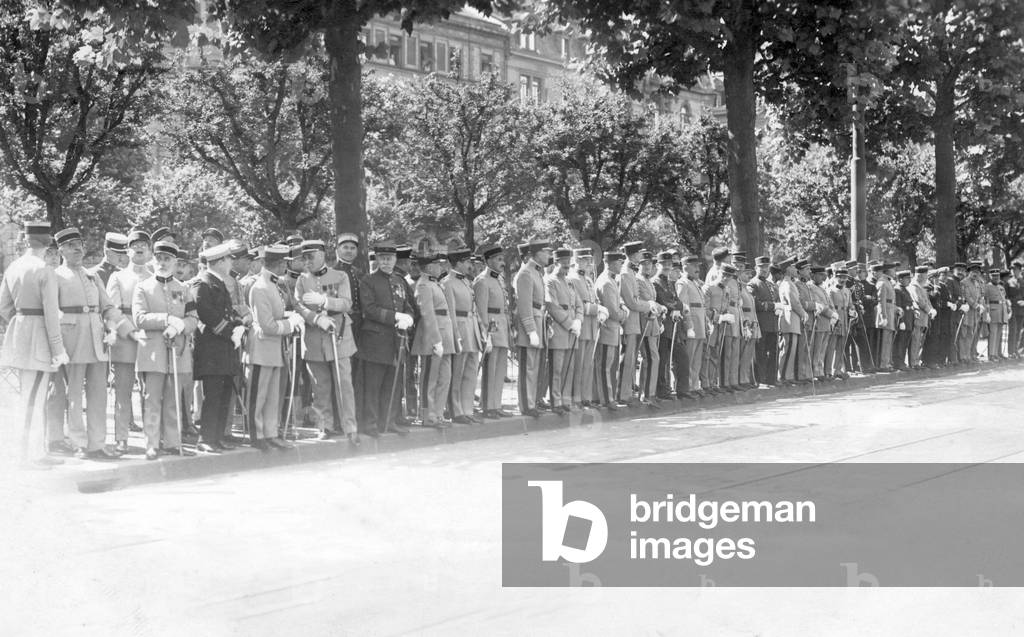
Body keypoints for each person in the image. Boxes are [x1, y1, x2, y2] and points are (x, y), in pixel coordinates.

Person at [46, 227, 141, 460]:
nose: (77, 249)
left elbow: (108, 307)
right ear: (61, 250)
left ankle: (97, 444)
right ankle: (78, 442)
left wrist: (129, 331)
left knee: (99, 394)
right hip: (72, 341)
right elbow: (51, 311)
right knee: (74, 395)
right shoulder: (55, 275)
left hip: (97, 341)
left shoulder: (92, 276)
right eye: (70, 246)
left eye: (79, 244)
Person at [0, 221, 69, 468]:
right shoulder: (44, 270)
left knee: (31, 395)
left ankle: (35, 451)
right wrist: (58, 348)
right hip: (40, 339)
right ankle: (26, 456)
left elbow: (4, 307)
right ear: (48, 241)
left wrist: (21, 323)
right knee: (33, 399)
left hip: (20, 334)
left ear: (27, 240)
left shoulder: (14, 267)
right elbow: (51, 314)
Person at [133, 240, 198, 459]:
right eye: (159, 258)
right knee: (152, 399)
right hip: (153, 352)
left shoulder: (183, 289)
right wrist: (166, 320)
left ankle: (172, 441)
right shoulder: (143, 286)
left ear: (175, 262)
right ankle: (151, 443)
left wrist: (181, 326)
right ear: (153, 259)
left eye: (167, 259)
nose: (162, 262)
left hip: (177, 351)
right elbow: (139, 318)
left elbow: (193, 318)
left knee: (173, 399)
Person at [295, 239, 359, 443]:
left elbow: (347, 303)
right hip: (314, 338)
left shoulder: (340, 276)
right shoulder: (302, 280)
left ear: (322, 255)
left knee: (344, 384)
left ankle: (350, 426)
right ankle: (325, 425)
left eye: (310, 256)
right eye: (304, 257)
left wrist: (325, 301)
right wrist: (316, 318)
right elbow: (298, 306)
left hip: (338, 335)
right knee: (319, 386)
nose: (307, 261)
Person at [244, 244, 303, 450]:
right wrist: (290, 324)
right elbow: (267, 325)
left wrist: (288, 317)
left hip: (276, 348)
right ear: (278, 264)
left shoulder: (274, 285)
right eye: (284, 264)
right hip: (262, 347)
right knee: (259, 396)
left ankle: (270, 432)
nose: (285, 268)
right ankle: (257, 436)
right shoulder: (260, 287)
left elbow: (277, 314)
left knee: (272, 396)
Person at [192, 243, 246, 453]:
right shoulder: (203, 283)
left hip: (223, 348)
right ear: (220, 261)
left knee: (223, 393)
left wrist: (238, 326)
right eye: (229, 259)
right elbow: (206, 313)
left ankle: (216, 437)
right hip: (212, 349)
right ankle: (205, 438)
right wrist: (229, 331)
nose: (231, 262)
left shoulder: (218, 282)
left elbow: (227, 311)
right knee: (213, 395)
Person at [356, 244, 415, 436]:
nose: (386, 261)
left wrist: (408, 317)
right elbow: (369, 309)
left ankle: (388, 421)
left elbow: (408, 305)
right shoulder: (368, 281)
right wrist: (395, 317)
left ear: (395, 260)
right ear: (377, 260)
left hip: (396, 340)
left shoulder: (399, 281)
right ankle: (371, 424)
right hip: (375, 339)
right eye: (382, 258)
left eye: (389, 258)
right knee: (373, 385)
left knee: (393, 383)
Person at [106, 227, 153, 453]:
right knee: (123, 391)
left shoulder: (155, 278)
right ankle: (121, 437)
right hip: (126, 340)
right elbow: (112, 311)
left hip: (149, 340)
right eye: (134, 245)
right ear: (128, 250)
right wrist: (127, 331)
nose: (139, 248)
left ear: (150, 250)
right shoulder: (118, 277)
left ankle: (151, 438)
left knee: (150, 392)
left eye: (144, 245)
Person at [411, 253, 455, 427]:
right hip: (432, 337)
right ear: (429, 267)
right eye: (438, 264)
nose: (441, 268)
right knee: (430, 378)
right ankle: (427, 415)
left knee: (445, 377)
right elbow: (428, 315)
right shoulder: (423, 285)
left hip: (445, 335)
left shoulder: (434, 283)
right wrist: (436, 340)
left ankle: (437, 413)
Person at [443, 248, 484, 425]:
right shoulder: (448, 282)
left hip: (472, 329)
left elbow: (474, 310)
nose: (470, 265)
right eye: (467, 262)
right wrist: (456, 335)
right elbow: (451, 313)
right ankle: (456, 410)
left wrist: (481, 331)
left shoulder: (467, 282)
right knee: (457, 373)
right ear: (458, 263)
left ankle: (467, 409)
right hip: (460, 328)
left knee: (471, 372)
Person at [543, 248, 582, 414]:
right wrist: (569, 323)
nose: (566, 266)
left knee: (569, 367)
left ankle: (565, 400)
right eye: (563, 263)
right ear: (556, 262)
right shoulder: (550, 281)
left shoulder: (570, 282)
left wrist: (579, 320)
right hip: (559, 329)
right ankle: (556, 401)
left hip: (572, 329)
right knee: (557, 368)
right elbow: (552, 306)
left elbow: (579, 304)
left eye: (568, 263)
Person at [474, 245, 512, 419]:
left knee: (500, 369)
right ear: (488, 261)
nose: (502, 262)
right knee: (491, 368)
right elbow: (481, 311)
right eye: (498, 259)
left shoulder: (499, 279)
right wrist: (485, 334)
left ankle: (496, 404)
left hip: (502, 325)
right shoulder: (482, 280)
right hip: (491, 327)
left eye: (502, 259)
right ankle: (488, 406)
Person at [513, 240, 550, 417]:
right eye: (545, 252)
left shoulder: (537, 272)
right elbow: (524, 306)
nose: (549, 255)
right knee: (528, 367)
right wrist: (530, 329)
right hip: (531, 326)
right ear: (535, 253)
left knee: (536, 367)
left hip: (539, 321)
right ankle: (526, 405)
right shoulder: (526, 273)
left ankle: (533, 401)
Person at [332, 233, 365, 420]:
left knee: (356, 370)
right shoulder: (332, 272)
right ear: (337, 249)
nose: (349, 251)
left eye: (353, 248)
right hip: (342, 324)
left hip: (358, 325)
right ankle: (339, 417)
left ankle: (354, 415)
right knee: (342, 372)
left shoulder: (357, 272)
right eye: (345, 247)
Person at [617, 241, 649, 404]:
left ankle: (627, 392)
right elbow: (631, 302)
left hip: (635, 321)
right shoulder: (625, 273)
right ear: (634, 255)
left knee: (631, 358)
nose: (642, 256)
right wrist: (648, 305)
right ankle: (623, 394)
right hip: (629, 321)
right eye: (640, 253)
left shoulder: (630, 272)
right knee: (628, 358)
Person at [595, 251, 627, 409]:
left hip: (613, 330)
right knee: (605, 366)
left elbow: (617, 303)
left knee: (610, 365)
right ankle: (606, 399)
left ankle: (609, 397)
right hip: (608, 329)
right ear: (610, 263)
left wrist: (621, 309)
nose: (621, 264)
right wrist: (624, 313)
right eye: (619, 262)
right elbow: (613, 311)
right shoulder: (606, 282)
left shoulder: (611, 280)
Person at [652, 251, 686, 398]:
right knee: (662, 360)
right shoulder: (655, 282)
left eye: (669, 264)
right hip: (662, 325)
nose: (666, 267)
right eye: (663, 264)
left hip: (674, 325)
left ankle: (682, 390)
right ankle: (661, 389)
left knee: (682, 358)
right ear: (658, 265)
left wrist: (677, 308)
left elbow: (678, 302)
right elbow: (661, 300)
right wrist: (674, 308)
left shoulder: (671, 283)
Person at [636, 250, 664, 404]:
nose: (648, 267)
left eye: (650, 264)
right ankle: (646, 394)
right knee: (651, 358)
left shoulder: (648, 281)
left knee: (653, 359)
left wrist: (661, 308)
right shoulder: (638, 280)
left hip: (652, 324)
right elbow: (642, 302)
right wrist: (654, 307)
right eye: (644, 264)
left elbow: (653, 301)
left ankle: (648, 393)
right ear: (639, 265)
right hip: (644, 323)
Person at [676, 255, 706, 397]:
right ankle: (687, 386)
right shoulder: (683, 283)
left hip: (700, 323)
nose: (697, 269)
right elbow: (684, 305)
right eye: (694, 266)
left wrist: (707, 322)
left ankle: (695, 385)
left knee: (697, 358)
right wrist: (689, 326)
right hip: (692, 324)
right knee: (689, 356)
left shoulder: (696, 283)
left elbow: (702, 306)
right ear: (685, 266)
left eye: (697, 266)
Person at [748, 255, 780, 386]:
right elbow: (756, 304)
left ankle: (771, 379)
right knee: (760, 353)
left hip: (773, 324)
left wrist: (779, 306)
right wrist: (773, 306)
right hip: (761, 323)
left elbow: (777, 300)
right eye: (761, 267)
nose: (765, 270)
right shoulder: (753, 284)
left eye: (767, 267)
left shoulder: (771, 285)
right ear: (756, 268)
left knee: (773, 353)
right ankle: (761, 379)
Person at [777, 256, 805, 385]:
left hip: (792, 319)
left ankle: (787, 375)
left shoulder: (789, 283)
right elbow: (794, 302)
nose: (795, 269)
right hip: (789, 318)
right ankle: (784, 376)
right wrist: (803, 313)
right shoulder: (787, 284)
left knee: (791, 349)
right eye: (793, 267)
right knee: (788, 349)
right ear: (788, 269)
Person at [807, 265, 837, 380]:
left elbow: (829, 303)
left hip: (827, 322)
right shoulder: (811, 287)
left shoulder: (822, 288)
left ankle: (820, 371)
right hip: (819, 321)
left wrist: (834, 314)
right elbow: (820, 304)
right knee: (816, 348)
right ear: (813, 275)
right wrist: (831, 314)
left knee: (822, 349)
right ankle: (815, 372)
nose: (822, 278)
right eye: (820, 275)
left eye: (823, 275)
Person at [908, 265, 936, 369]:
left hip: (924, 317)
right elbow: (919, 300)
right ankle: (913, 362)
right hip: (918, 316)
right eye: (925, 276)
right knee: (915, 340)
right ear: (919, 275)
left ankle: (917, 361)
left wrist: (931, 309)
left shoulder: (921, 286)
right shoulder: (914, 286)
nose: (926, 278)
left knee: (920, 341)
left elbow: (927, 300)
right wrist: (929, 310)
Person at [737, 265, 761, 388]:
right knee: (744, 353)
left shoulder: (746, 289)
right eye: (746, 273)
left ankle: (747, 378)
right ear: (739, 274)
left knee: (749, 354)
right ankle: (742, 379)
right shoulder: (739, 289)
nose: (749, 276)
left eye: (749, 274)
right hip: (746, 324)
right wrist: (745, 325)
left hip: (753, 323)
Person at [874, 261, 898, 372]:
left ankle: (886, 362)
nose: (895, 272)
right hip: (885, 313)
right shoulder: (882, 282)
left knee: (888, 339)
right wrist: (883, 316)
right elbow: (881, 301)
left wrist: (897, 309)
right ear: (888, 270)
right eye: (893, 269)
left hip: (890, 311)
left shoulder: (888, 282)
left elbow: (890, 301)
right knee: (885, 340)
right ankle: (883, 364)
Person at [893, 270, 915, 370]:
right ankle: (898, 362)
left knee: (905, 342)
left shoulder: (905, 289)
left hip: (909, 319)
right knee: (900, 343)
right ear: (900, 279)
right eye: (907, 278)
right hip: (903, 320)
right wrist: (901, 321)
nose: (909, 280)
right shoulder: (898, 290)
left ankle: (902, 362)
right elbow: (899, 306)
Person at [984, 268, 1007, 360]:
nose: (995, 277)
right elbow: (986, 301)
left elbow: (1004, 299)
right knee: (993, 333)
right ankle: (991, 355)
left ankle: (996, 353)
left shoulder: (1001, 287)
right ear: (990, 276)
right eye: (993, 276)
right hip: (993, 312)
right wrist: (987, 314)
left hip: (1001, 312)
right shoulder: (987, 287)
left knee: (998, 333)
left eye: (997, 276)